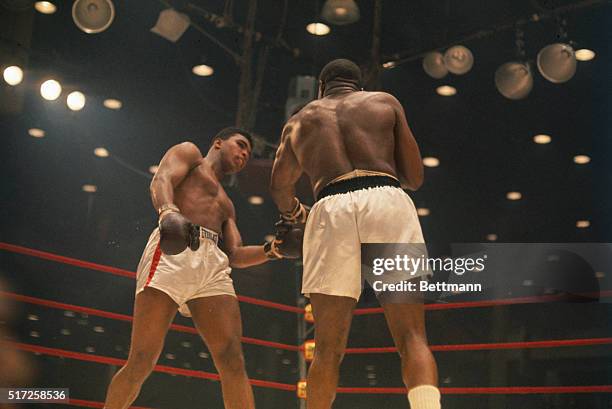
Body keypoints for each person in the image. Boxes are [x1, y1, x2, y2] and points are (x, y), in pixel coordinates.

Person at [270, 59, 441, 409]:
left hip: (329, 207)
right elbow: (415, 178)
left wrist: (295, 214)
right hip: (387, 200)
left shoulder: (298, 121)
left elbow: (279, 186)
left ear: (321, 88)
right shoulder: (384, 103)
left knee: (328, 348)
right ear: (359, 85)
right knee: (412, 336)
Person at [104, 127, 300, 409]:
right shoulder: (190, 154)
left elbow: (235, 254)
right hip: (175, 246)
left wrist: (274, 250)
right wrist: (168, 212)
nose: (245, 154)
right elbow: (161, 180)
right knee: (142, 360)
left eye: (249, 152)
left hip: (212, 267)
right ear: (218, 142)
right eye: (241, 145)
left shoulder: (228, 204)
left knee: (233, 359)